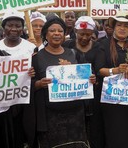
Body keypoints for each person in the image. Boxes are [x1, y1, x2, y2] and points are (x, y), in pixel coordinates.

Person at [31, 17, 94, 148]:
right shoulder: (36, 58)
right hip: (51, 116)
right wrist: (38, 84)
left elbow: (88, 75)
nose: (57, 33)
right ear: (45, 35)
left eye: (60, 31)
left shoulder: (75, 54)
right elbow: (29, 84)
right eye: (52, 30)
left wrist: (91, 79)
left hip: (76, 114)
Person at [98, 11, 128, 148]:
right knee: (114, 133)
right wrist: (115, 70)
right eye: (119, 25)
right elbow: (99, 70)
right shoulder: (103, 45)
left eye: (126, 26)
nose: (122, 28)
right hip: (112, 99)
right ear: (114, 27)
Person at [0, 10, 36, 147]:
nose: (14, 29)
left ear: (22, 28)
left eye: (18, 26)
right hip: (2, 98)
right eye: (10, 25)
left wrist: (32, 72)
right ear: (4, 27)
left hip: (24, 98)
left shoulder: (31, 47)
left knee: (22, 130)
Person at [63, 16, 105, 148]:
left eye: (88, 34)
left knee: (95, 129)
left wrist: (96, 79)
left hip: (94, 96)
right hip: (73, 96)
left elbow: (100, 70)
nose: (85, 38)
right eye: (81, 34)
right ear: (75, 31)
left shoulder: (99, 48)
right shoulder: (66, 45)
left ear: (93, 33)